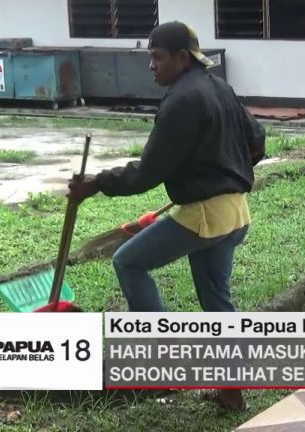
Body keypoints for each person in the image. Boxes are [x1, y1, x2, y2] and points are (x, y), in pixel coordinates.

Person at [67, 21, 265, 410]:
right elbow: (256, 139)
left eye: (157, 58)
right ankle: (231, 391)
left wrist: (96, 184)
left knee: (128, 262)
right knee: (216, 299)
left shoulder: (181, 101)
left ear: (181, 57)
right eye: (150, 58)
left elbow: (147, 173)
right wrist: (225, 171)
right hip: (236, 212)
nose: (152, 66)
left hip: (204, 216)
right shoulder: (219, 87)